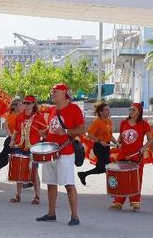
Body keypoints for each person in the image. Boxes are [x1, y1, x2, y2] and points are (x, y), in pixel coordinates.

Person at [36, 84, 84, 225]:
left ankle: (75, 216)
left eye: (55, 92)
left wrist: (66, 132)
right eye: (52, 91)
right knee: (51, 183)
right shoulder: (52, 110)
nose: (53, 94)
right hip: (50, 151)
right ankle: (51, 213)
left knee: (68, 184)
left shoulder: (74, 109)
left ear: (64, 93)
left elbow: (82, 129)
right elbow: (53, 126)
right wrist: (45, 131)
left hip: (65, 152)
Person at [110, 102, 151, 212]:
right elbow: (120, 137)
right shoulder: (124, 122)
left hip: (137, 156)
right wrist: (118, 142)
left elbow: (151, 139)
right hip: (123, 154)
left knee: (136, 179)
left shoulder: (144, 124)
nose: (131, 111)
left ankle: (135, 202)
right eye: (130, 109)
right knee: (122, 178)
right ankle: (118, 202)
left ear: (139, 112)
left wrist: (144, 147)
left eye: (134, 110)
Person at [11, 96, 44, 204]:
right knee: (19, 171)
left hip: (33, 148)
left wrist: (41, 135)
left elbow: (45, 130)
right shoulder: (19, 116)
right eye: (24, 103)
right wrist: (12, 140)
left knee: (34, 172)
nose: (26, 105)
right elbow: (16, 131)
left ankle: (37, 196)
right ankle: (18, 195)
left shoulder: (39, 117)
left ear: (34, 104)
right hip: (20, 146)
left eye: (28, 103)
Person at [0, 97, 23, 185]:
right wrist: (13, 139)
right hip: (11, 141)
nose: (22, 107)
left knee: (4, 160)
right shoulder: (12, 116)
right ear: (14, 107)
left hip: (17, 141)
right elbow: (8, 130)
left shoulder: (20, 116)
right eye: (20, 105)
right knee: (3, 160)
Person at [78, 101, 114, 186]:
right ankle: (114, 185)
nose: (108, 111)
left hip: (107, 146)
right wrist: (100, 141)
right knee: (107, 167)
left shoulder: (109, 121)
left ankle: (83, 174)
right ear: (101, 112)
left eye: (108, 110)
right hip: (99, 147)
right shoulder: (97, 122)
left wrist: (116, 143)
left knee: (102, 168)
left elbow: (110, 136)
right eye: (106, 110)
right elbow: (89, 134)